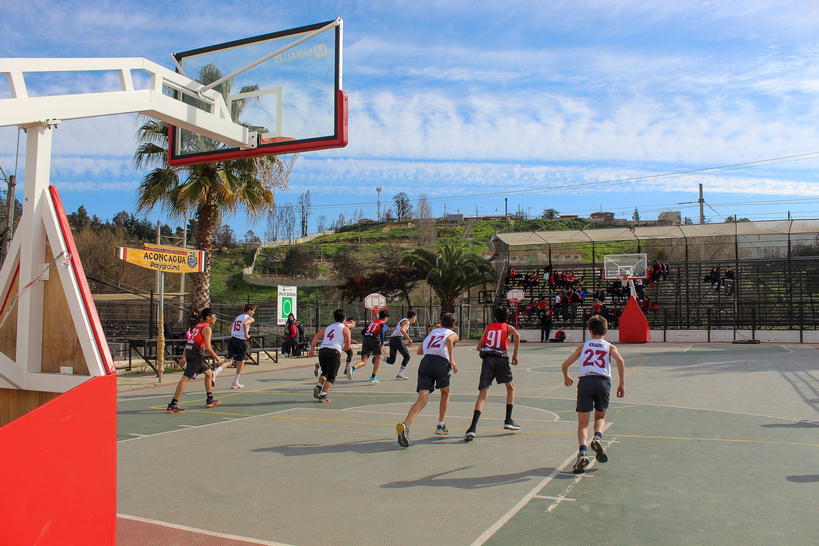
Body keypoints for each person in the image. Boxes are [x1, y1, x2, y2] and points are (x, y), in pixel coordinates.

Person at [561, 315, 625, 474]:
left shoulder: (583, 346)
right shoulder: (609, 347)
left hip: (586, 381)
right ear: (606, 331)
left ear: (590, 331)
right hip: (603, 381)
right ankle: (597, 437)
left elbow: (565, 364)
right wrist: (621, 384)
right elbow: (620, 361)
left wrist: (566, 376)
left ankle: (583, 451)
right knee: (600, 417)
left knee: (583, 423)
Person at [396, 313, 459, 447]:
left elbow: (419, 351)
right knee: (445, 393)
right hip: (440, 363)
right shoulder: (452, 334)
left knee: (422, 400)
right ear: (453, 326)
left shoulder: (433, 332)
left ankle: (406, 425)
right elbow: (449, 340)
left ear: (441, 323)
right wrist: (452, 361)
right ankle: (441, 425)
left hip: (425, 363)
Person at [464, 306, 520, 441]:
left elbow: (479, 347)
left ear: (495, 317)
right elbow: (517, 335)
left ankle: (472, 428)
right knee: (511, 388)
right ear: (507, 319)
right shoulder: (508, 328)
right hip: (501, 359)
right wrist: (515, 354)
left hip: (488, 360)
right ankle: (508, 420)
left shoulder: (489, 327)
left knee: (483, 393)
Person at [166, 308, 222, 413]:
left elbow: (189, 342)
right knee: (185, 379)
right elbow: (208, 348)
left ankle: (210, 399)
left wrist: (183, 357)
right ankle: (173, 404)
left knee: (209, 374)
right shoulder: (206, 329)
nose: (216, 319)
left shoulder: (198, 326)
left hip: (191, 354)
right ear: (208, 317)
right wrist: (216, 356)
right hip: (196, 356)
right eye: (214, 316)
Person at [308, 309, 352, 403]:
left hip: (323, 350)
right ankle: (323, 395)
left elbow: (316, 336)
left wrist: (312, 350)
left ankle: (319, 386)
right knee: (331, 376)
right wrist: (341, 348)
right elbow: (347, 347)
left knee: (325, 372)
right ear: (344, 318)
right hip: (334, 351)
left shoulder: (328, 327)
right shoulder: (345, 329)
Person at [212, 304, 255, 389]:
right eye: (253, 311)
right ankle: (235, 382)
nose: (253, 313)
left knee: (229, 361)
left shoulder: (238, 317)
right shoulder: (249, 318)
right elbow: (245, 323)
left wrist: (235, 333)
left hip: (233, 339)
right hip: (240, 340)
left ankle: (216, 372)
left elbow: (230, 328)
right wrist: (246, 334)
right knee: (241, 361)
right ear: (249, 310)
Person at [349, 309, 389, 383]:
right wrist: (382, 344)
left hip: (366, 338)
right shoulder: (383, 324)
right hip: (374, 339)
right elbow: (382, 331)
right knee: (378, 357)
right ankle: (373, 377)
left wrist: (368, 338)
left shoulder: (372, 323)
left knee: (364, 360)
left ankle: (352, 368)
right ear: (386, 317)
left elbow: (363, 332)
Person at [385, 310, 417, 380]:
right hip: (397, 339)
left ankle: (380, 357)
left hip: (392, 339)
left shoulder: (403, 320)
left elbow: (397, 333)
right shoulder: (407, 321)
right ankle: (400, 374)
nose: (415, 319)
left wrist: (404, 343)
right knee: (407, 356)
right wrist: (409, 339)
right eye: (415, 317)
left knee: (391, 360)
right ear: (413, 317)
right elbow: (402, 330)